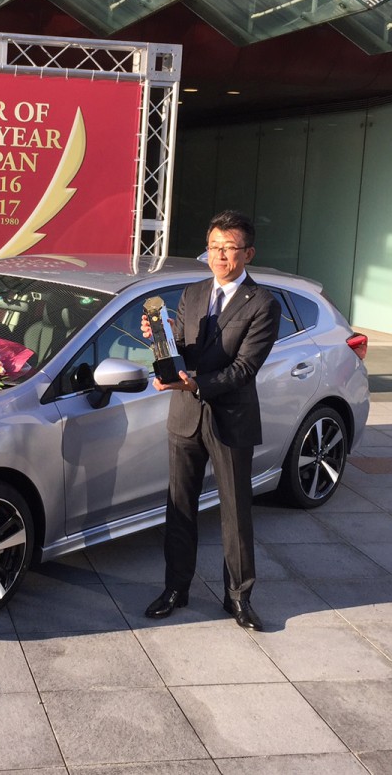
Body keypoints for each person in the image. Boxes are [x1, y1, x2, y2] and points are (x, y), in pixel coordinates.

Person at [142, 210, 281, 629]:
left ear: (248, 253)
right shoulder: (193, 292)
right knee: (179, 507)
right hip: (185, 416)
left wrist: (195, 384)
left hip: (231, 418)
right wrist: (162, 340)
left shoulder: (263, 303)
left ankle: (238, 597)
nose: (220, 255)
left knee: (235, 512)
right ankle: (175, 588)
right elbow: (184, 349)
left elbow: (243, 369)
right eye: (214, 247)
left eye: (229, 248)